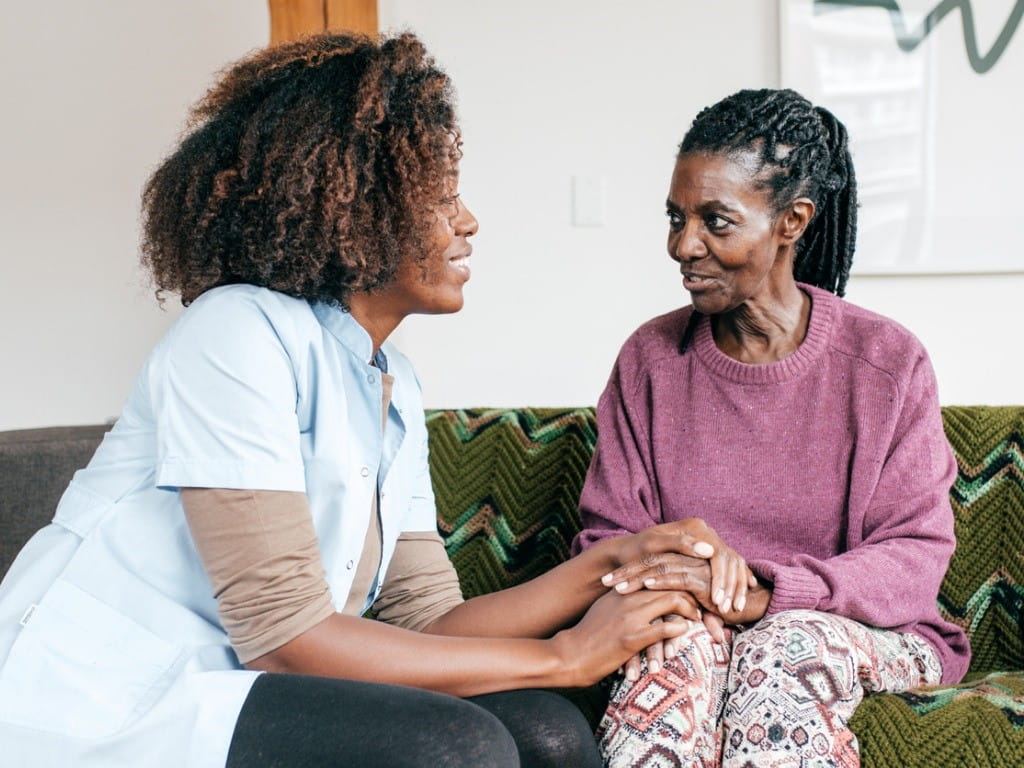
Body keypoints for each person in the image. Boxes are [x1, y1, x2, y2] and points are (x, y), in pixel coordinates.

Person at [0, 33, 739, 768]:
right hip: (111, 699)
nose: (468, 221)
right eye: (442, 197)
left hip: (241, 688)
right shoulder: (234, 333)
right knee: (461, 745)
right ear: (356, 211)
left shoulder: (390, 383)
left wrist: (618, 557)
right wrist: (564, 656)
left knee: (547, 731)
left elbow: (432, 624)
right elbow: (285, 639)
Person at [574, 88, 970, 768]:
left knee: (781, 651)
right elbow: (608, 541)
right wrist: (700, 591)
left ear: (791, 221)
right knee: (673, 651)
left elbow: (913, 555)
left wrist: (767, 596)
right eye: (676, 218)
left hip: (866, 631)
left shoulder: (886, 363)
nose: (683, 245)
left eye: (716, 222)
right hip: (697, 617)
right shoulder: (649, 359)